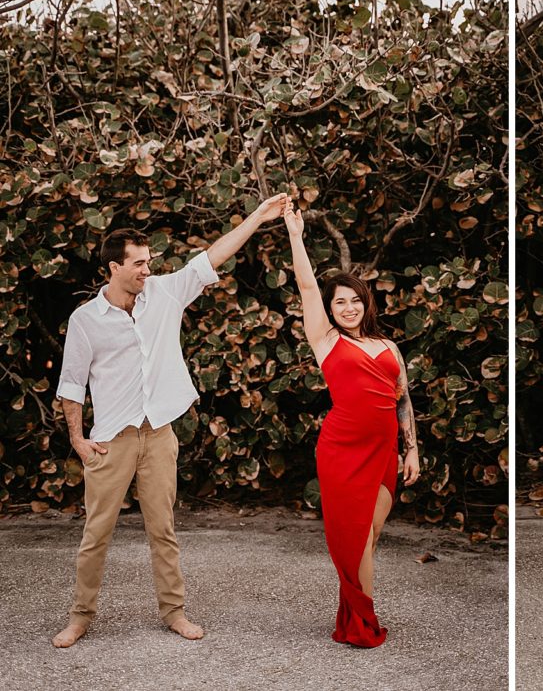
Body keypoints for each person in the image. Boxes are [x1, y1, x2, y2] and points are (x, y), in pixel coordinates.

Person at [52, 193, 290, 648]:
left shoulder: (164, 293)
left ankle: (174, 613)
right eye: (138, 264)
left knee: (163, 530)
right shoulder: (86, 320)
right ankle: (80, 617)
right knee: (95, 535)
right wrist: (79, 441)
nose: (147, 270)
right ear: (113, 268)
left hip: (158, 435)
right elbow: (69, 385)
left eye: (148, 261)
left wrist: (259, 215)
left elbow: (214, 254)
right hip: (111, 441)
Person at [283, 200, 420, 648]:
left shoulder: (388, 346)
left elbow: (404, 400)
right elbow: (306, 286)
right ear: (331, 309)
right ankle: (362, 620)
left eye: (355, 300)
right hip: (341, 450)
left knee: (372, 533)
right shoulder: (326, 341)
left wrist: (411, 448)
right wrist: (296, 235)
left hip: (382, 453)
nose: (348, 307)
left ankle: (350, 614)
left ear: (366, 303)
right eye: (339, 302)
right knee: (355, 537)